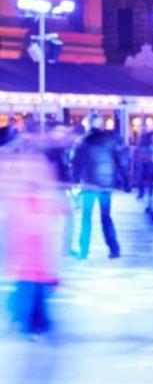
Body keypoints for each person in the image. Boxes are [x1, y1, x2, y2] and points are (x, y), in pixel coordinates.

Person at [1, 137, 69, 336]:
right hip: (29, 222)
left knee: (34, 272)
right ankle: (29, 316)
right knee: (30, 273)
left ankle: (33, 316)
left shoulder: (29, 165)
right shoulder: (28, 166)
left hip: (34, 222)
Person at [71, 113, 122, 259]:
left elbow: (75, 162)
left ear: (88, 124)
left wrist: (74, 180)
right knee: (106, 216)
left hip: (89, 184)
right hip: (106, 184)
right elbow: (120, 159)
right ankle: (114, 248)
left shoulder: (81, 141)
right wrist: (123, 180)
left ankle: (84, 250)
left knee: (86, 217)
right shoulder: (110, 140)